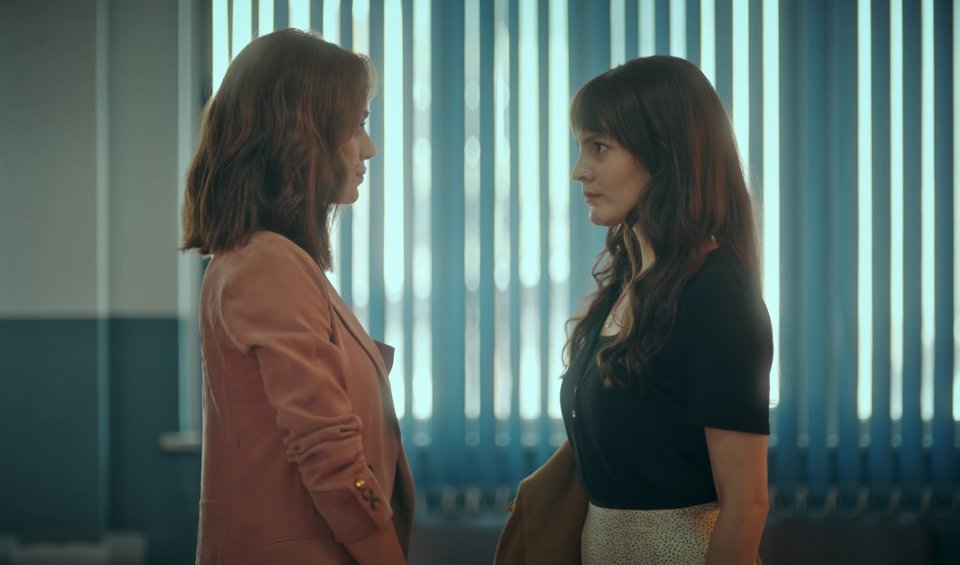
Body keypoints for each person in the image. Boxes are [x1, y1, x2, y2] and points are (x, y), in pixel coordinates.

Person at [181, 29, 413, 565]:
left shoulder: (265, 258)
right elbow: (329, 452)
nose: (369, 148)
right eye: (357, 125)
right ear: (300, 136)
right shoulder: (266, 264)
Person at [560, 55, 773, 564]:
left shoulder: (718, 293)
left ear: (665, 152)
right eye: (581, 147)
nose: (578, 171)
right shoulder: (625, 284)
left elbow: (747, 505)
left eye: (599, 147)